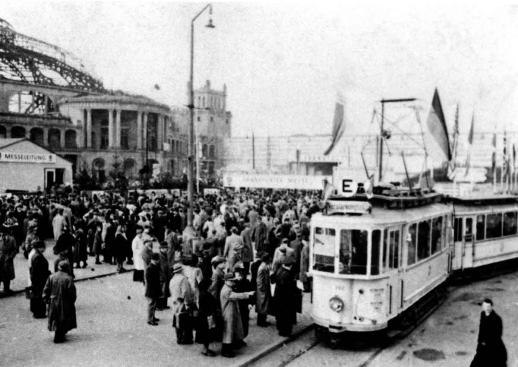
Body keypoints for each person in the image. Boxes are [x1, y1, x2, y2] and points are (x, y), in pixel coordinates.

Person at [220, 273, 254, 358]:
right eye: (232, 281)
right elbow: (236, 295)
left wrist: (247, 292)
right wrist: (247, 294)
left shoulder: (227, 288)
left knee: (230, 331)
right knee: (228, 332)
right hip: (228, 314)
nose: (234, 283)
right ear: (226, 281)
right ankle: (226, 351)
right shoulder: (226, 290)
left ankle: (229, 348)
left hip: (230, 313)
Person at [43, 261, 77, 343]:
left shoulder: (51, 277)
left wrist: (46, 299)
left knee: (55, 317)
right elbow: (72, 293)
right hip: (64, 301)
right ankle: (60, 335)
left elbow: (46, 289)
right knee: (63, 318)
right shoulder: (68, 278)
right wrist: (71, 302)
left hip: (53, 300)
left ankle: (57, 333)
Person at [470, 298, 507, 367]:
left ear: (491, 307)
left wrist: (486, 342)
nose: (486, 308)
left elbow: (498, 334)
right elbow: (481, 330)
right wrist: (479, 342)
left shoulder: (496, 319)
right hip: (483, 345)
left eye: (488, 306)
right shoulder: (483, 314)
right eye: (485, 306)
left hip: (493, 346)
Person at [170, 263, 195, 344]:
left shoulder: (172, 279)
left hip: (175, 302)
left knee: (177, 320)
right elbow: (186, 292)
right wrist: (188, 302)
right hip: (182, 303)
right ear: (181, 271)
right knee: (186, 321)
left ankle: (179, 338)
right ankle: (186, 339)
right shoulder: (183, 279)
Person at [273, 256, 298, 337]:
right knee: (287, 316)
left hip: (278, 297)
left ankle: (280, 329)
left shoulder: (279, 270)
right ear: (290, 265)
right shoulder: (288, 274)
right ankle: (285, 332)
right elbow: (290, 288)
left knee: (280, 315)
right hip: (286, 299)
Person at [195, 278, 218, 357]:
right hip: (205, 317)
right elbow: (211, 304)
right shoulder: (205, 295)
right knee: (206, 334)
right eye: (210, 285)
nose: (212, 286)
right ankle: (205, 350)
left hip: (203, 316)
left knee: (205, 333)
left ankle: (206, 349)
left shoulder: (203, 293)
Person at [30, 240, 50, 318]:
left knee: (36, 296)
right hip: (40, 280)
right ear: (40, 247)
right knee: (40, 296)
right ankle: (39, 313)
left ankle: (36, 312)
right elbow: (40, 270)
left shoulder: (35, 255)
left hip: (36, 279)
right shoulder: (38, 257)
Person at [233, 262, 254, 339]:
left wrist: (250, 303)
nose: (240, 276)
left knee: (244, 323)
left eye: (241, 275)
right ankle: (237, 339)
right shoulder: (233, 283)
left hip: (245, 306)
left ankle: (242, 337)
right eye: (238, 275)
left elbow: (251, 294)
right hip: (236, 306)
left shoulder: (247, 282)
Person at [145, 253, 162, 326]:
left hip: (154, 289)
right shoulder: (150, 268)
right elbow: (149, 281)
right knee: (151, 305)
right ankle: (150, 319)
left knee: (154, 304)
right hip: (151, 290)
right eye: (157, 260)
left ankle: (153, 317)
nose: (158, 261)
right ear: (155, 260)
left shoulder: (154, 266)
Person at [256, 253, 272, 327]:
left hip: (264, 289)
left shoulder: (263, 266)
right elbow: (259, 281)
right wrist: (262, 289)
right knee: (262, 306)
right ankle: (261, 322)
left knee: (263, 306)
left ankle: (263, 321)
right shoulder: (262, 268)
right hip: (263, 290)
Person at [157, 242, 171, 310]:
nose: (167, 249)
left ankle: (164, 304)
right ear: (162, 248)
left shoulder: (166, 254)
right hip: (162, 276)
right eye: (166, 248)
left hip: (167, 275)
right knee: (161, 291)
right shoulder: (159, 256)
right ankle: (159, 305)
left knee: (166, 290)